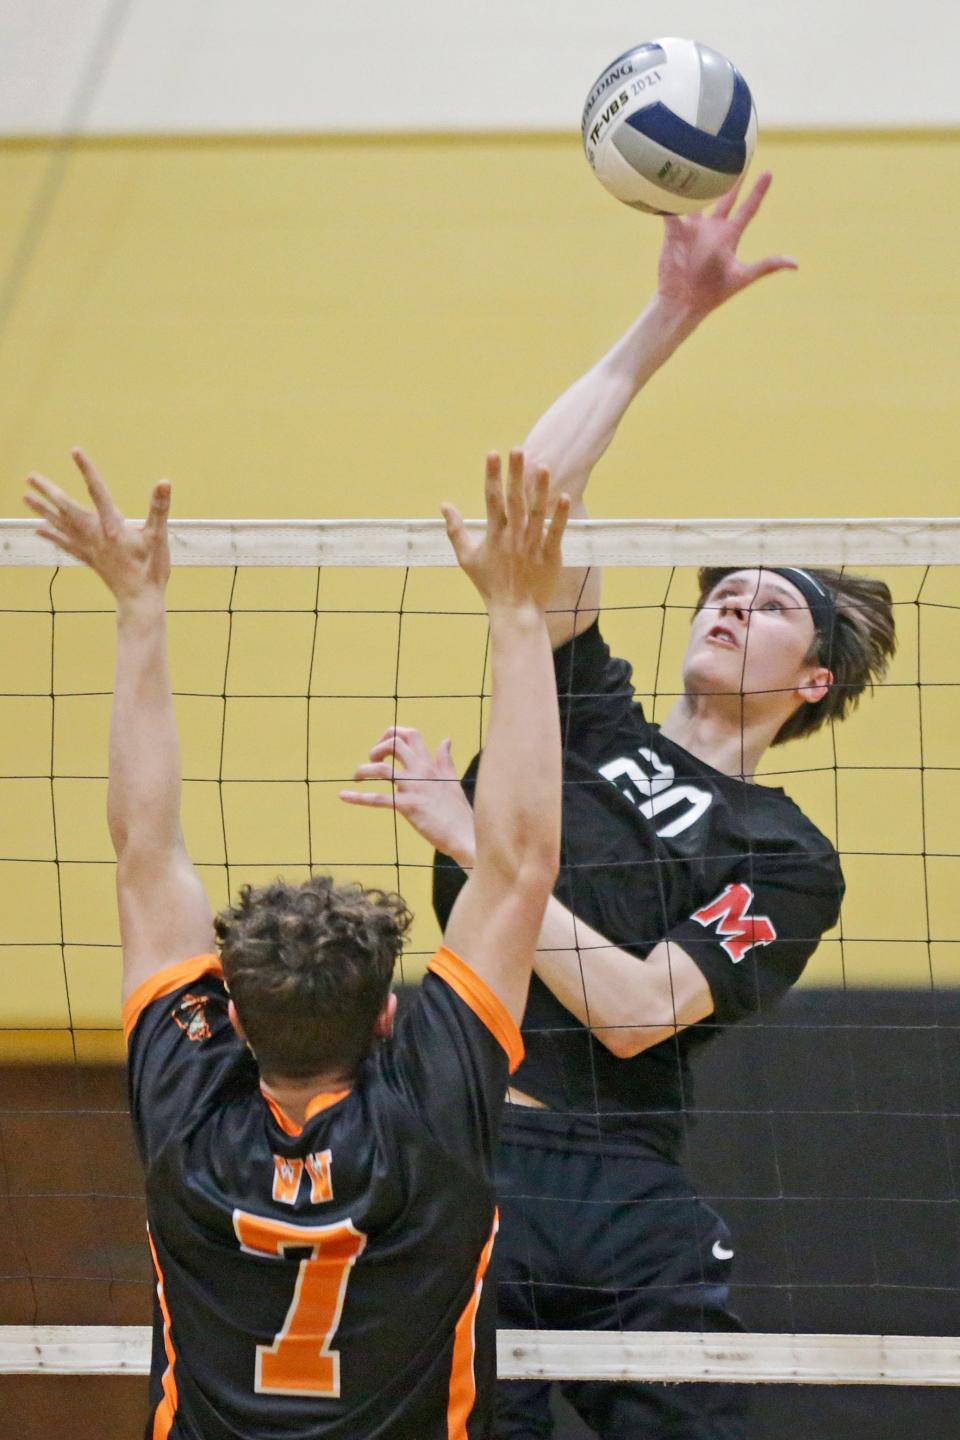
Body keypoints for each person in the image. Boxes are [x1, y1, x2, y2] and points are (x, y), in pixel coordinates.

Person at [341, 175, 897, 1439]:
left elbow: (643, 1011)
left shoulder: (786, 854)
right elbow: (527, 503)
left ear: (810, 682)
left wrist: (487, 856)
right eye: (724, 586)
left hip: (614, 1175)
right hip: (455, 1144)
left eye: (768, 605)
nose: (728, 601)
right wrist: (667, 319)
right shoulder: (588, 715)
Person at [24, 446, 569, 1440]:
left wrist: (138, 610)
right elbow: (523, 863)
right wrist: (519, 613)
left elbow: (146, 855)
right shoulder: (431, 1108)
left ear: (231, 1017)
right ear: (390, 1019)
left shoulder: (188, 1106)